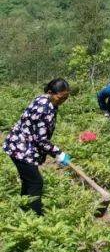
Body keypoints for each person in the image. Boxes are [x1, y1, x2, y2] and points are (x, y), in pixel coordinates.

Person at [3, 79, 72, 216]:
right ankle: (35, 217)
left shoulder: (45, 99)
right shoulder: (44, 109)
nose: (63, 100)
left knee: (28, 181)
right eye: (61, 97)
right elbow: (41, 140)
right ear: (50, 92)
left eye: (66, 97)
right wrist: (58, 153)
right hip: (21, 148)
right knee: (35, 182)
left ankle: (23, 211)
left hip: (20, 144)